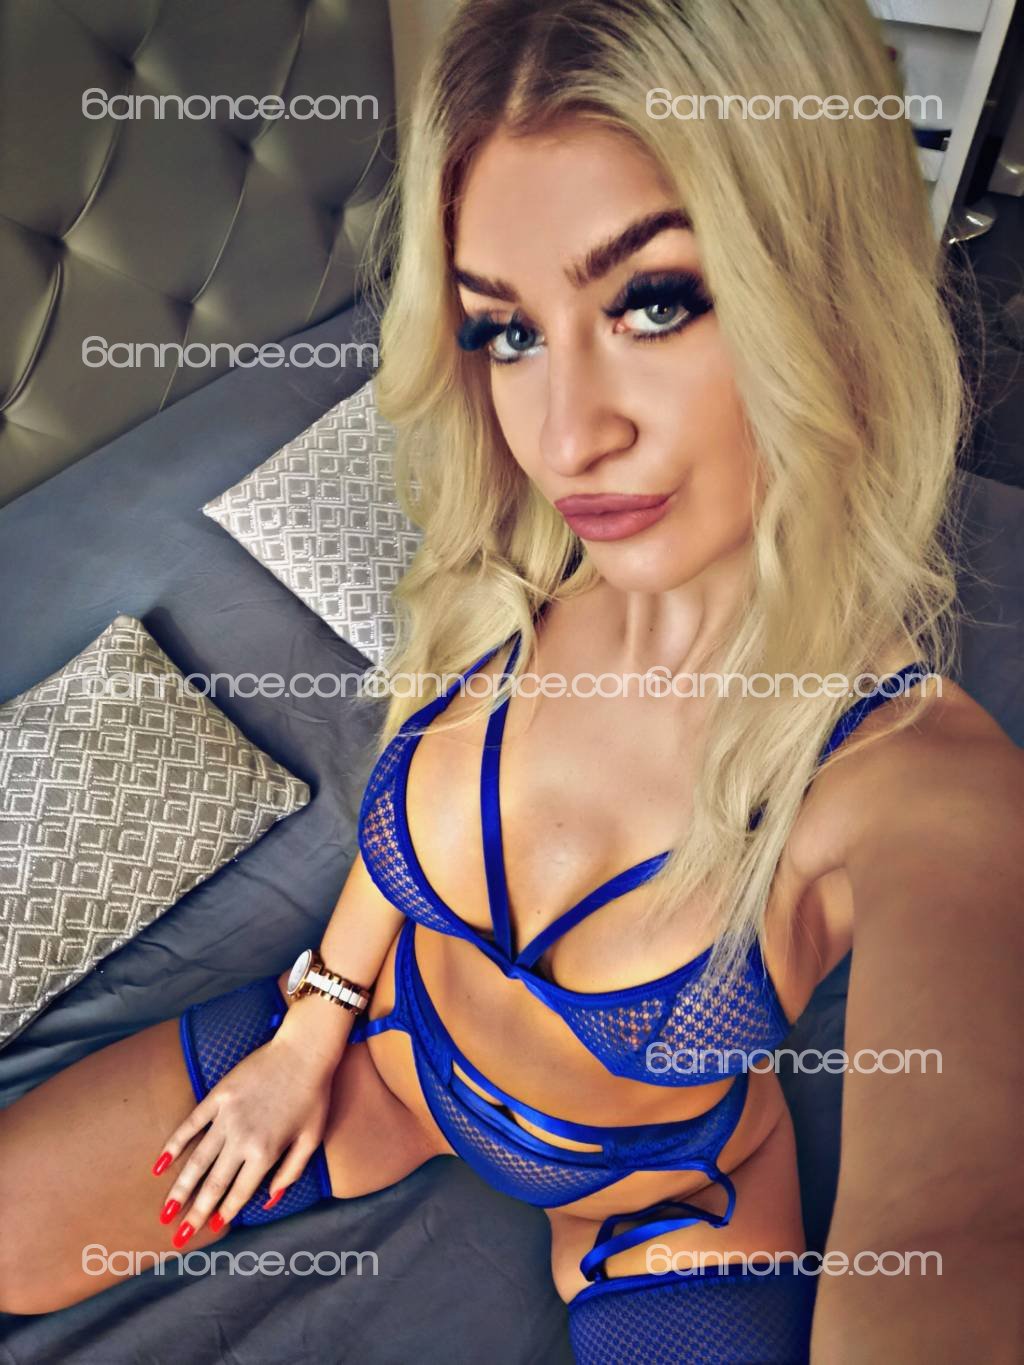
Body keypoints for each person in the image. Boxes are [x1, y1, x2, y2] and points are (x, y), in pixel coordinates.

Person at [2, 2, 1021, 1360]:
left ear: (819, 292)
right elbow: (405, 816)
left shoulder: (919, 786)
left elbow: (965, 1231)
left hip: (661, 1193)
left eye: (654, 302)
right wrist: (312, 1029)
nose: (567, 437)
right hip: (389, 1062)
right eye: (508, 331)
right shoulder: (517, 565)